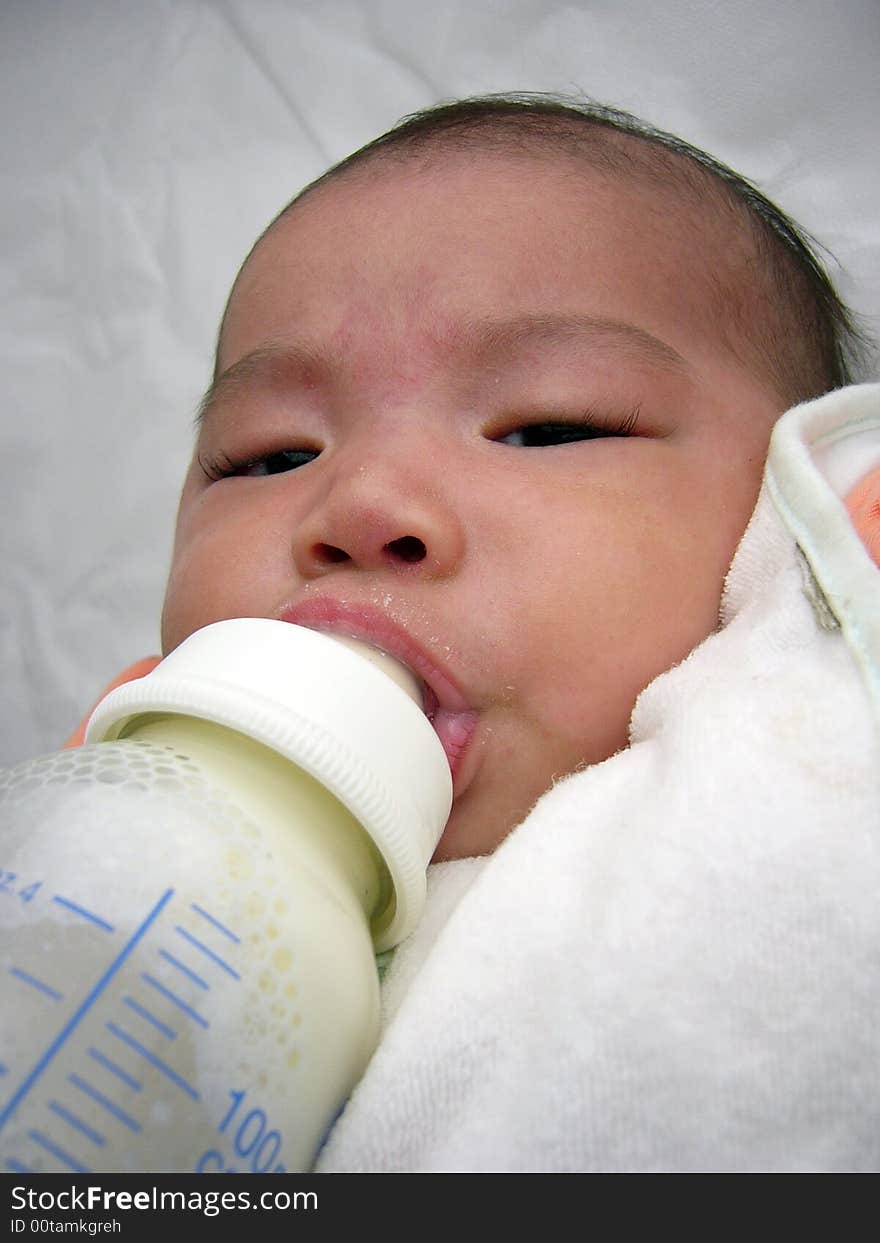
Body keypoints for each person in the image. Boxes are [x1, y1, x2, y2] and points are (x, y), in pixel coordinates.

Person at [67, 95, 880, 1170]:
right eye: (266, 454)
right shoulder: (123, 881)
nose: (360, 503)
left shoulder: (813, 710)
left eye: (551, 426)